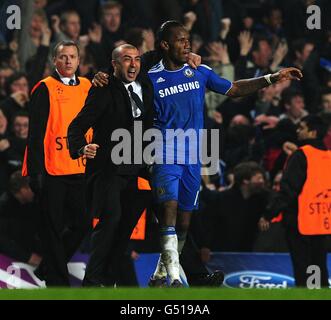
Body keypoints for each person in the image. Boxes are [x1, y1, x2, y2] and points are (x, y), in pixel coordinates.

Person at [93, 20, 302, 287]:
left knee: (183, 222)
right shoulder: (149, 76)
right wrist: (102, 75)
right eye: (180, 40)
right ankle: (174, 278)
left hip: (194, 154)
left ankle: (159, 274)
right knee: (167, 212)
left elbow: (234, 89)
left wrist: (272, 77)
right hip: (163, 151)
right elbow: (124, 70)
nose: (187, 44)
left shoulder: (199, 71)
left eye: (188, 39)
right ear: (165, 45)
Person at [67, 44, 154, 287]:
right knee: (111, 221)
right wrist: (81, 148)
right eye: (126, 60)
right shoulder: (102, 89)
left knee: (124, 228)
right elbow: (76, 127)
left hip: (137, 169)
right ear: (115, 64)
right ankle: (92, 282)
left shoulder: (145, 85)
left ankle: (107, 279)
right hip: (108, 169)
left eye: (136, 59)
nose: (133, 64)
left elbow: (155, 56)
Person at [22, 40, 92, 286]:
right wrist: (35, 171)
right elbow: (36, 134)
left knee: (83, 223)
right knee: (52, 226)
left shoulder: (87, 86)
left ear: (78, 60)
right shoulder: (45, 88)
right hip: (52, 170)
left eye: (72, 56)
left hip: (79, 167)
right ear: (55, 61)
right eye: (63, 57)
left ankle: (47, 266)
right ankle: (58, 284)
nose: (68, 61)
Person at [264, 115, 330, 287]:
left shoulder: (301, 156)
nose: (298, 131)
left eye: (302, 128)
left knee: (303, 268)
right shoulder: (328, 156)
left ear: (313, 132)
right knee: (318, 267)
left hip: (300, 221)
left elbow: (288, 190)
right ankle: (318, 296)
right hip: (322, 222)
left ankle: (309, 296)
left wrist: (269, 213)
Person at [0, 171, 42, 267]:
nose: (35, 191)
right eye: (32, 188)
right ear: (23, 190)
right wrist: (27, 257)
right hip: (12, 254)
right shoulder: (5, 207)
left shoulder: (32, 203)